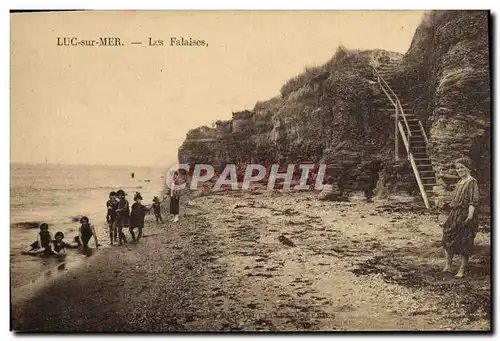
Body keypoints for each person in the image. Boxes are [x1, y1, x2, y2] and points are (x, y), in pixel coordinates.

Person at [441, 157, 480, 278]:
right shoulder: (459, 182)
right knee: (447, 237)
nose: (460, 170)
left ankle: (461, 270)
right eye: (458, 168)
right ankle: (448, 266)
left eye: (462, 167)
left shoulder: (472, 182)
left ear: (468, 168)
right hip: (454, 214)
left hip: (465, 215)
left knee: (464, 241)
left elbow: (473, 201)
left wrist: (469, 218)